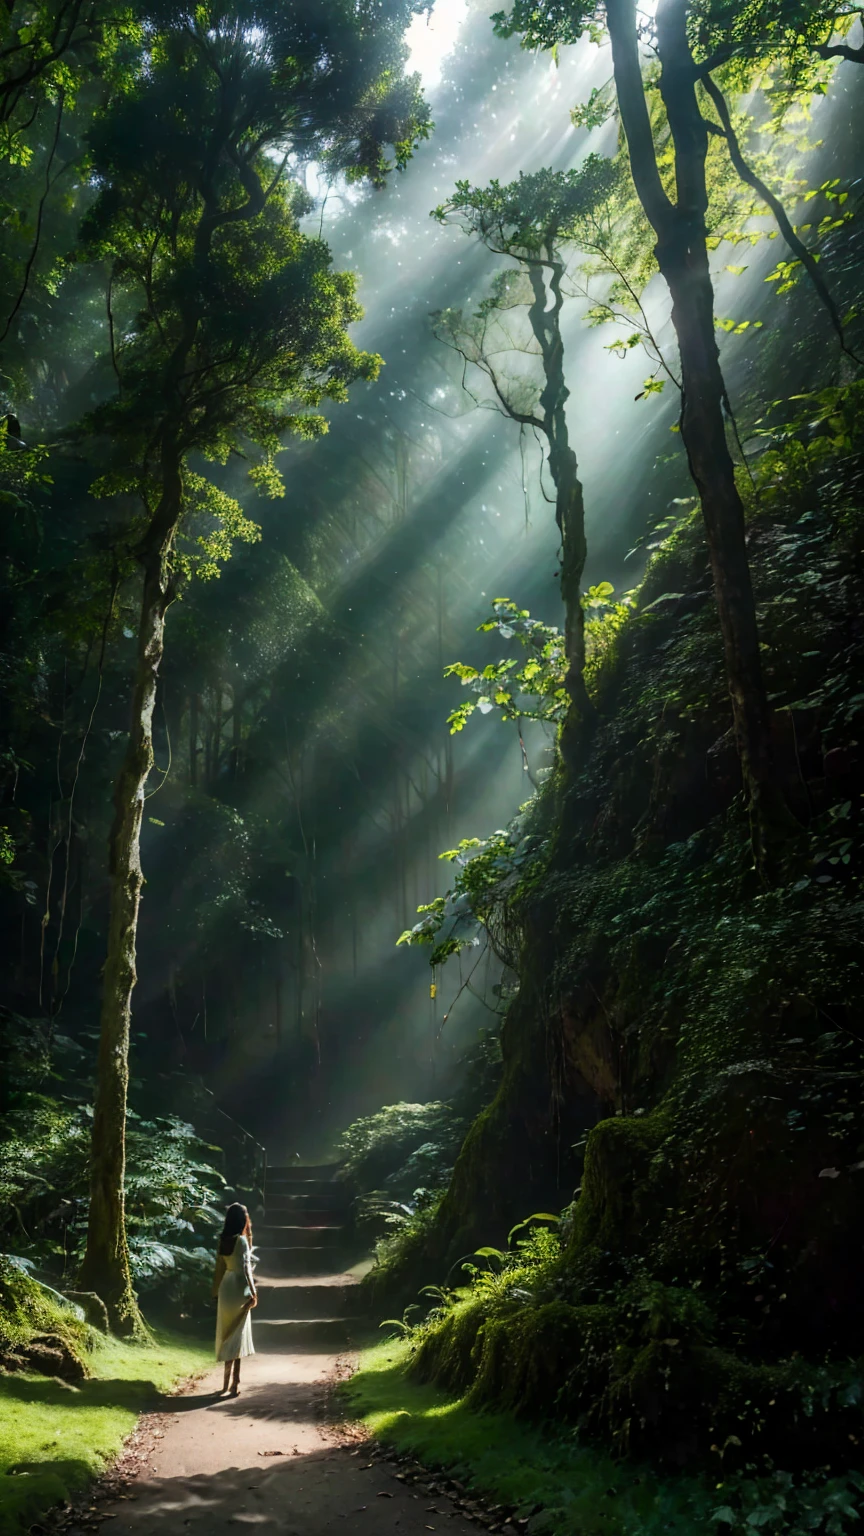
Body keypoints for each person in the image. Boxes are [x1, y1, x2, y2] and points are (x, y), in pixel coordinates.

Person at [212, 1201, 257, 1395]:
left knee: (227, 1332)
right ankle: (234, 1385)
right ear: (242, 1220)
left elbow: (219, 1269)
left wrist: (215, 1291)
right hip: (239, 1287)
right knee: (237, 1336)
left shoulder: (223, 1241)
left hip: (226, 1287)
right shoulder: (242, 1241)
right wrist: (254, 1292)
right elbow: (246, 1269)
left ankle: (225, 1384)